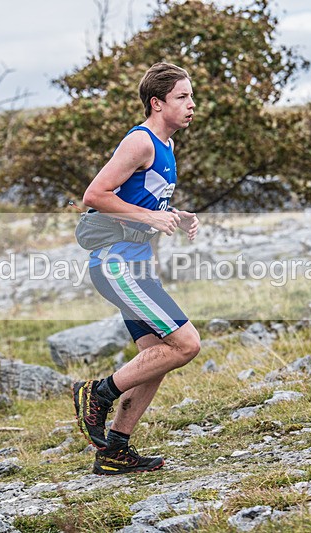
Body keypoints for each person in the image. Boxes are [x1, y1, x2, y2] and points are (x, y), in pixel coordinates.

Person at [72, 62, 201, 475]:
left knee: (156, 358)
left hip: (137, 266)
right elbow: (95, 195)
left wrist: (173, 215)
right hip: (116, 264)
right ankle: (96, 394)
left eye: (191, 96)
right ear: (157, 103)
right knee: (186, 344)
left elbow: (142, 203)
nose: (191, 105)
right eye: (182, 97)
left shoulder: (168, 146)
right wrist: (149, 220)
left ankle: (114, 450)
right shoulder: (140, 142)